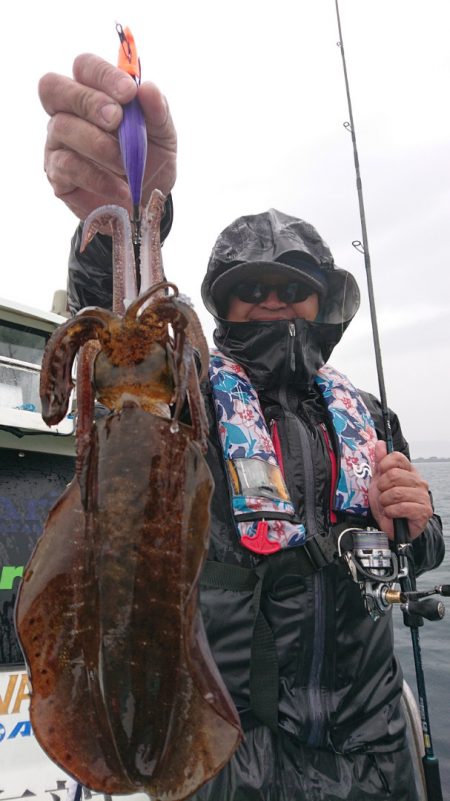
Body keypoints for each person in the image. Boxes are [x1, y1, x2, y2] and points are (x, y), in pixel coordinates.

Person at [39, 55, 444, 801]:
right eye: (247, 290)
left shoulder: (371, 418)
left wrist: (419, 528)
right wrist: (124, 213)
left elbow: (413, 555)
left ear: (320, 303)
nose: (270, 301)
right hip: (236, 764)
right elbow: (127, 360)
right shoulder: (190, 404)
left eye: (291, 287)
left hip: (377, 755)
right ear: (219, 311)